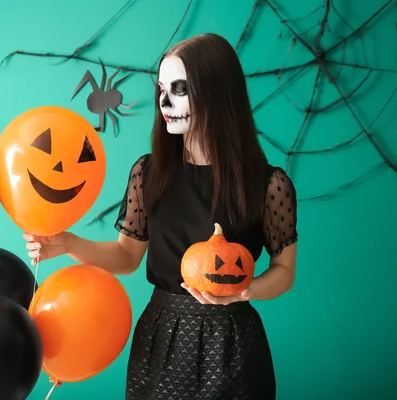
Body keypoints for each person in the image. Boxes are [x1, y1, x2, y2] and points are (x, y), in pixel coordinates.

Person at [24, 33, 298, 400]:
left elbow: (284, 272)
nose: (164, 102)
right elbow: (126, 256)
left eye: (179, 89)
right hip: (162, 336)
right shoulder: (149, 174)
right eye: (160, 89)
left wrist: (244, 291)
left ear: (216, 93)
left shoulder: (269, 185)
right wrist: (69, 243)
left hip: (232, 342)